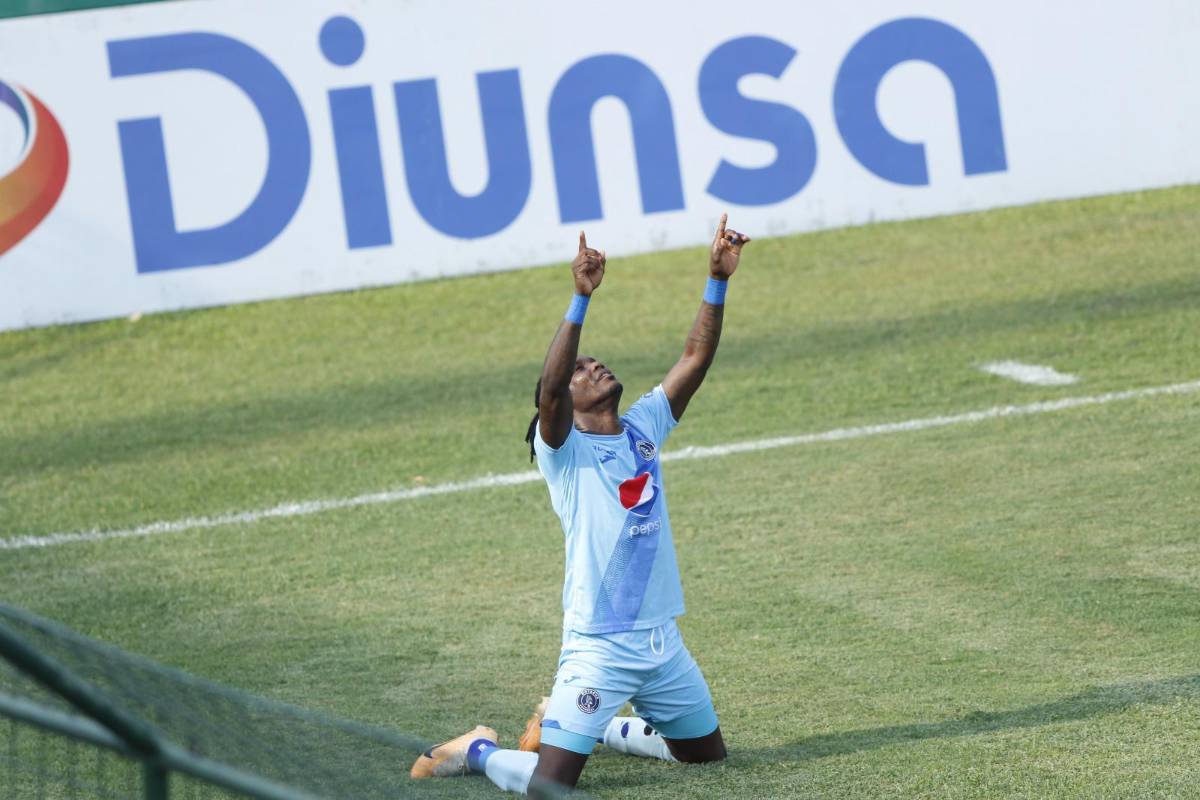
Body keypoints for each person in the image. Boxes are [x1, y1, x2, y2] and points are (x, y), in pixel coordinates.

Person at [410, 215, 750, 796]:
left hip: (662, 644)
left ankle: (601, 726)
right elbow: (547, 390)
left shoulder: (643, 427)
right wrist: (579, 298)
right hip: (598, 648)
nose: (595, 367)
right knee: (551, 787)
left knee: (706, 758)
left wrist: (716, 280)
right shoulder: (563, 451)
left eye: (595, 362)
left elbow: (695, 357)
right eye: (582, 370)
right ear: (564, 401)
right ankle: (477, 749)